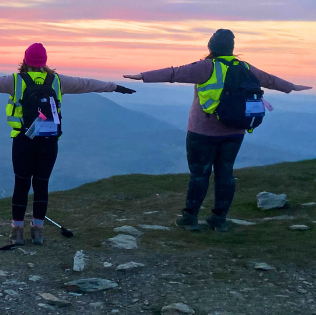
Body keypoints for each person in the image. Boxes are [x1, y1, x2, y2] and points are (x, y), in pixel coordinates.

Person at [0, 43, 136, 245]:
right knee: (41, 185)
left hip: (23, 141)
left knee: (21, 184)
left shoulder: (15, 81)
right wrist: (115, 87)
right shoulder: (57, 81)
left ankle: (17, 231)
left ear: (25, 60)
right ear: (45, 61)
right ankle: (38, 231)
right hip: (50, 142)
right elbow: (87, 84)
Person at [123, 29, 311, 232]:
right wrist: (291, 86)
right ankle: (219, 220)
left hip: (202, 131)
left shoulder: (206, 66)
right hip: (235, 130)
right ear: (231, 48)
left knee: (199, 175)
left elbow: (174, 73)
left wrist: (143, 76)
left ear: (211, 46)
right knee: (225, 174)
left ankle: (190, 219)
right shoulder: (245, 67)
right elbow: (270, 80)